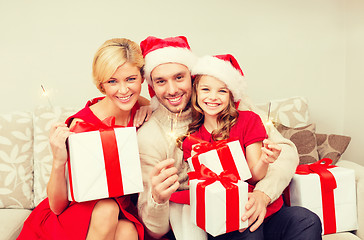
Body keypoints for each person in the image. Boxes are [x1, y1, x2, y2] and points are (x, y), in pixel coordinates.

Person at [136, 36, 322, 240]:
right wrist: (158, 198)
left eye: (179, 77)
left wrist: (263, 194)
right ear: (152, 85)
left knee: (306, 220)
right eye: (161, 81)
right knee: (246, 232)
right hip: (208, 221)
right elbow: (154, 229)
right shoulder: (151, 135)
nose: (172, 90)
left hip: (254, 204)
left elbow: (286, 152)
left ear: (192, 77)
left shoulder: (235, 108)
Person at [18, 38, 152, 240]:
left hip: (120, 211)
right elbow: (57, 206)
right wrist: (58, 160)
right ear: (101, 85)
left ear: (142, 78)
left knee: (128, 231)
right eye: (112, 81)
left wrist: (152, 108)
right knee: (107, 208)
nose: (124, 90)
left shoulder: (140, 106)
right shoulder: (82, 126)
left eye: (130, 79)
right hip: (73, 215)